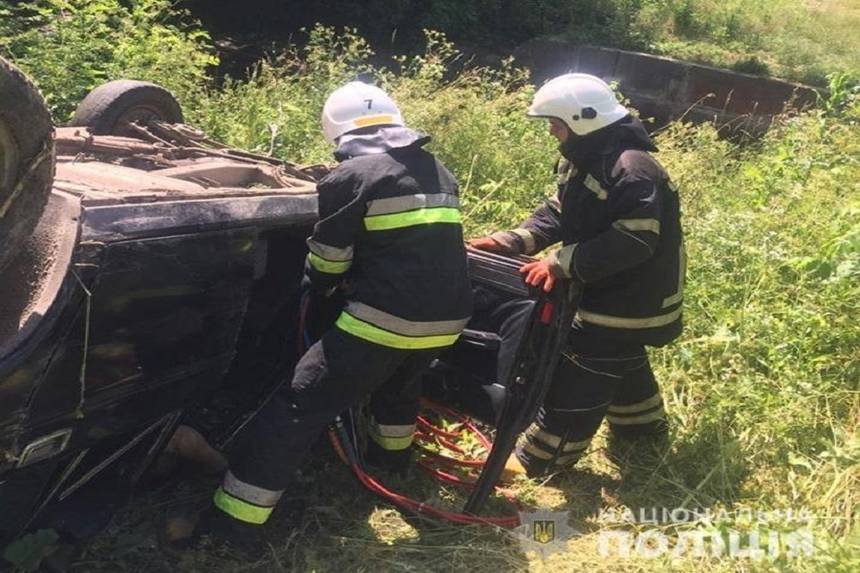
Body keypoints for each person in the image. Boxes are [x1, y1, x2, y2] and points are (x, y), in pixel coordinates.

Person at [194, 81, 473, 550]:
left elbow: (329, 259)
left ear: (338, 134)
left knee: (297, 407)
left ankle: (233, 523)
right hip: (449, 320)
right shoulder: (436, 169)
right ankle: (392, 464)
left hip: (384, 321)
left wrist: (318, 289)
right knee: (400, 385)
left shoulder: (349, 177)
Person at [470, 73, 685, 477]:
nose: (551, 130)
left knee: (583, 363)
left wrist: (559, 262)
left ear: (580, 120)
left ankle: (542, 457)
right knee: (620, 358)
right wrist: (510, 241)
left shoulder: (633, 170)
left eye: (555, 122)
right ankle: (643, 430)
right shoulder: (585, 157)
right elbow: (557, 212)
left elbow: (633, 242)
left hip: (631, 300)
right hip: (611, 294)